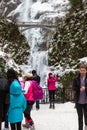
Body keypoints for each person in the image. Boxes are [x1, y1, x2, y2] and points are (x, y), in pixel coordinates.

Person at [73, 64, 87, 130]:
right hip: (78, 101)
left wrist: (85, 88)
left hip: (86, 101)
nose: (82, 72)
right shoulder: (76, 79)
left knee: (86, 117)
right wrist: (79, 89)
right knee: (80, 117)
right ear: (79, 70)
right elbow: (73, 88)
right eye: (81, 70)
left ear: (86, 71)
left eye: (84, 70)